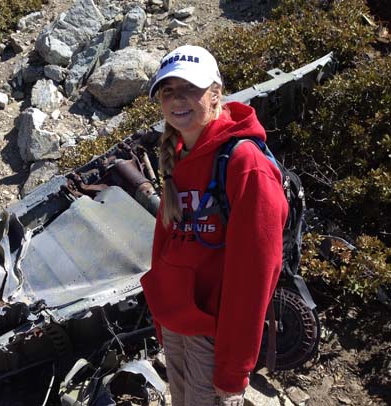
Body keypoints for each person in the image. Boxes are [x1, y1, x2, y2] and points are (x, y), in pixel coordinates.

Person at [140, 45, 288, 406]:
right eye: (168, 90)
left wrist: (234, 368)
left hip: (213, 334)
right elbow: (166, 244)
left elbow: (254, 276)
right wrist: (163, 316)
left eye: (190, 88)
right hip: (178, 324)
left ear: (216, 93)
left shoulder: (245, 164)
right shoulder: (176, 153)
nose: (178, 100)